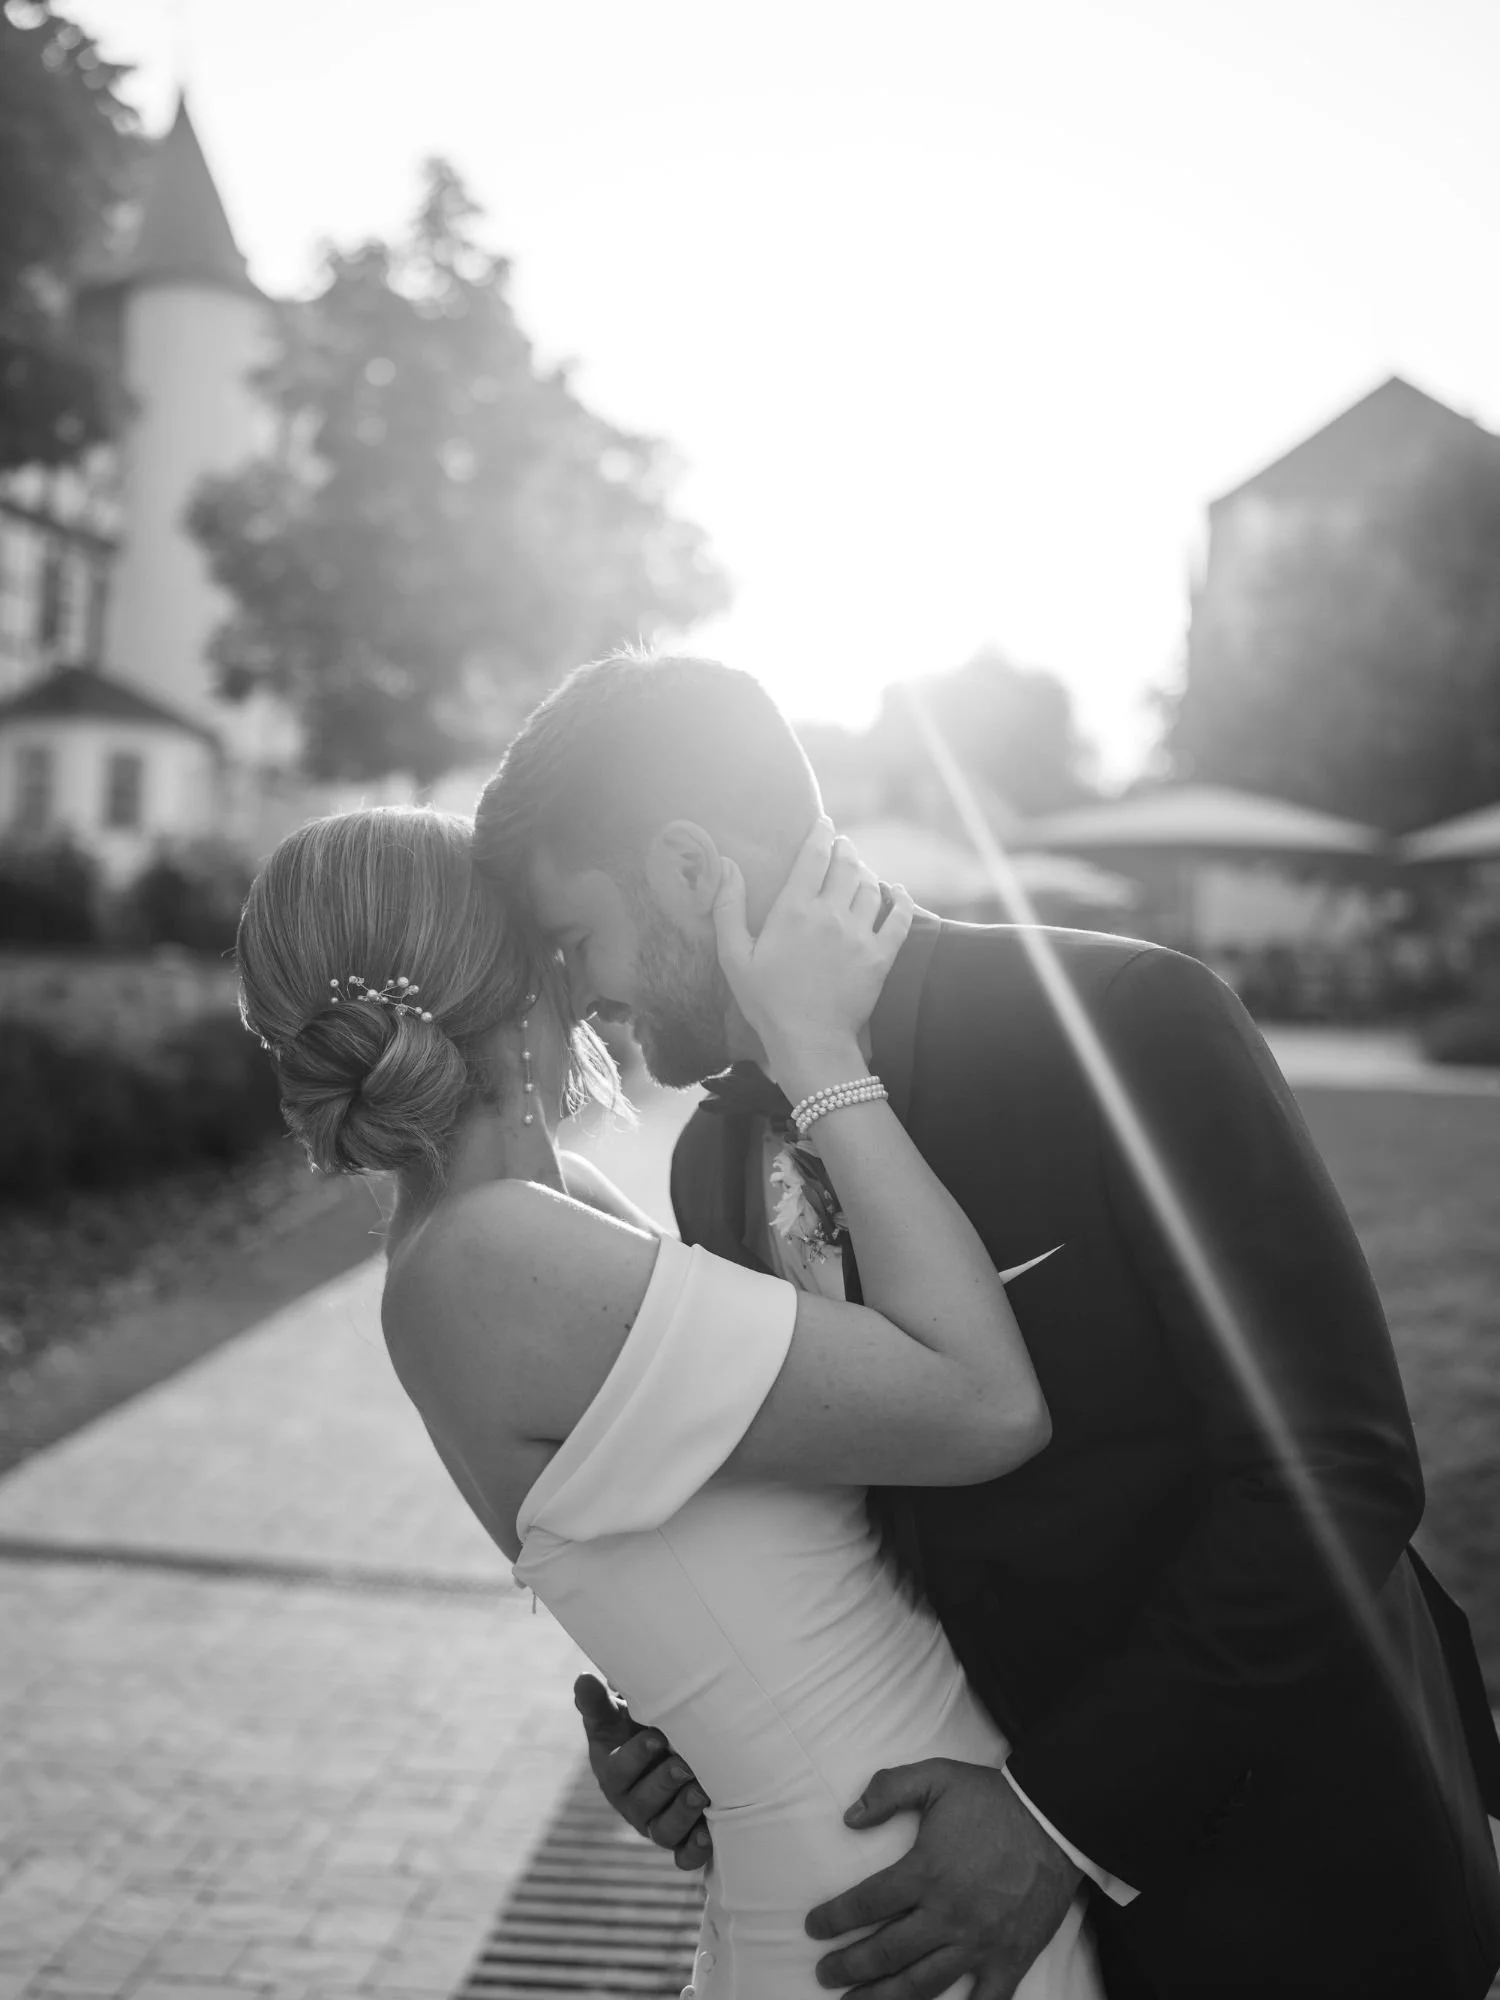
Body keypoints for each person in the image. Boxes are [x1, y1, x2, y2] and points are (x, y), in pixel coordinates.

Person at [474, 651, 1500, 2000]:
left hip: (1300, 1880)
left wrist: (1055, 1820)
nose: (576, 994)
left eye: (572, 940)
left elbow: (1336, 1469)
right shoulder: (713, 1165)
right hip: (983, 1924)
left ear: (686, 868)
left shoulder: (1125, 1024)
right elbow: (838, 1522)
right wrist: (700, 1737)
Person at [235, 804, 1106, 2000]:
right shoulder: (492, 1258)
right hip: (892, 1905)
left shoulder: (526, 1220)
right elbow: (983, 1403)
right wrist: (819, 1054)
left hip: (893, 1872)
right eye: (558, 937)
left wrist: (682, 1727)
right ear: (519, 967)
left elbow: (688, 1556)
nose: (590, 972)